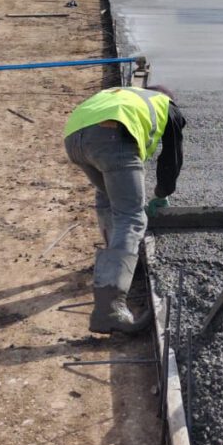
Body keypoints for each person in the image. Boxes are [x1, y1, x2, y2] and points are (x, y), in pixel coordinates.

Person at [64, 84, 186, 335]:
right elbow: (171, 159)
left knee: (108, 197)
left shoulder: (126, 94)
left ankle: (117, 261)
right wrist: (162, 194)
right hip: (111, 136)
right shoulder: (166, 106)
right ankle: (110, 309)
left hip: (74, 137)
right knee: (131, 216)